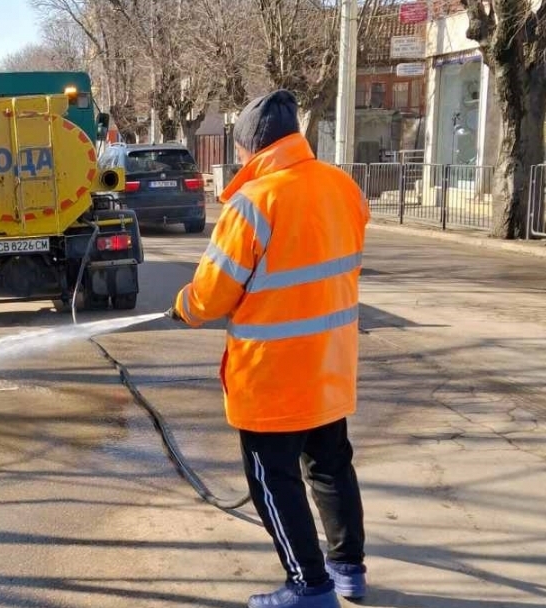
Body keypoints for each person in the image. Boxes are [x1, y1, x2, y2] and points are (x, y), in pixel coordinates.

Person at [166, 90, 369, 608]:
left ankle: (309, 586)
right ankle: (347, 571)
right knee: (330, 466)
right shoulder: (342, 185)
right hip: (330, 362)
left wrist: (184, 306)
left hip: (272, 374)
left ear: (250, 147)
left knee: (273, 480)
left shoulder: (253, 203)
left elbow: (212, 295)